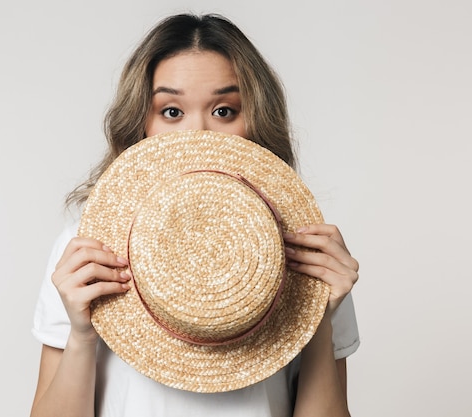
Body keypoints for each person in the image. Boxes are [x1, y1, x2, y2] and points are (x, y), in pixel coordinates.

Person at [31, 13, 360, 417]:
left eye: (224, 111)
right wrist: (82, 336)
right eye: (172, 112)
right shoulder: (84, 250)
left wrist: (318, 321)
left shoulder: (313, 259)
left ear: (255, 121)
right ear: (141, 123)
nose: (198, 134)